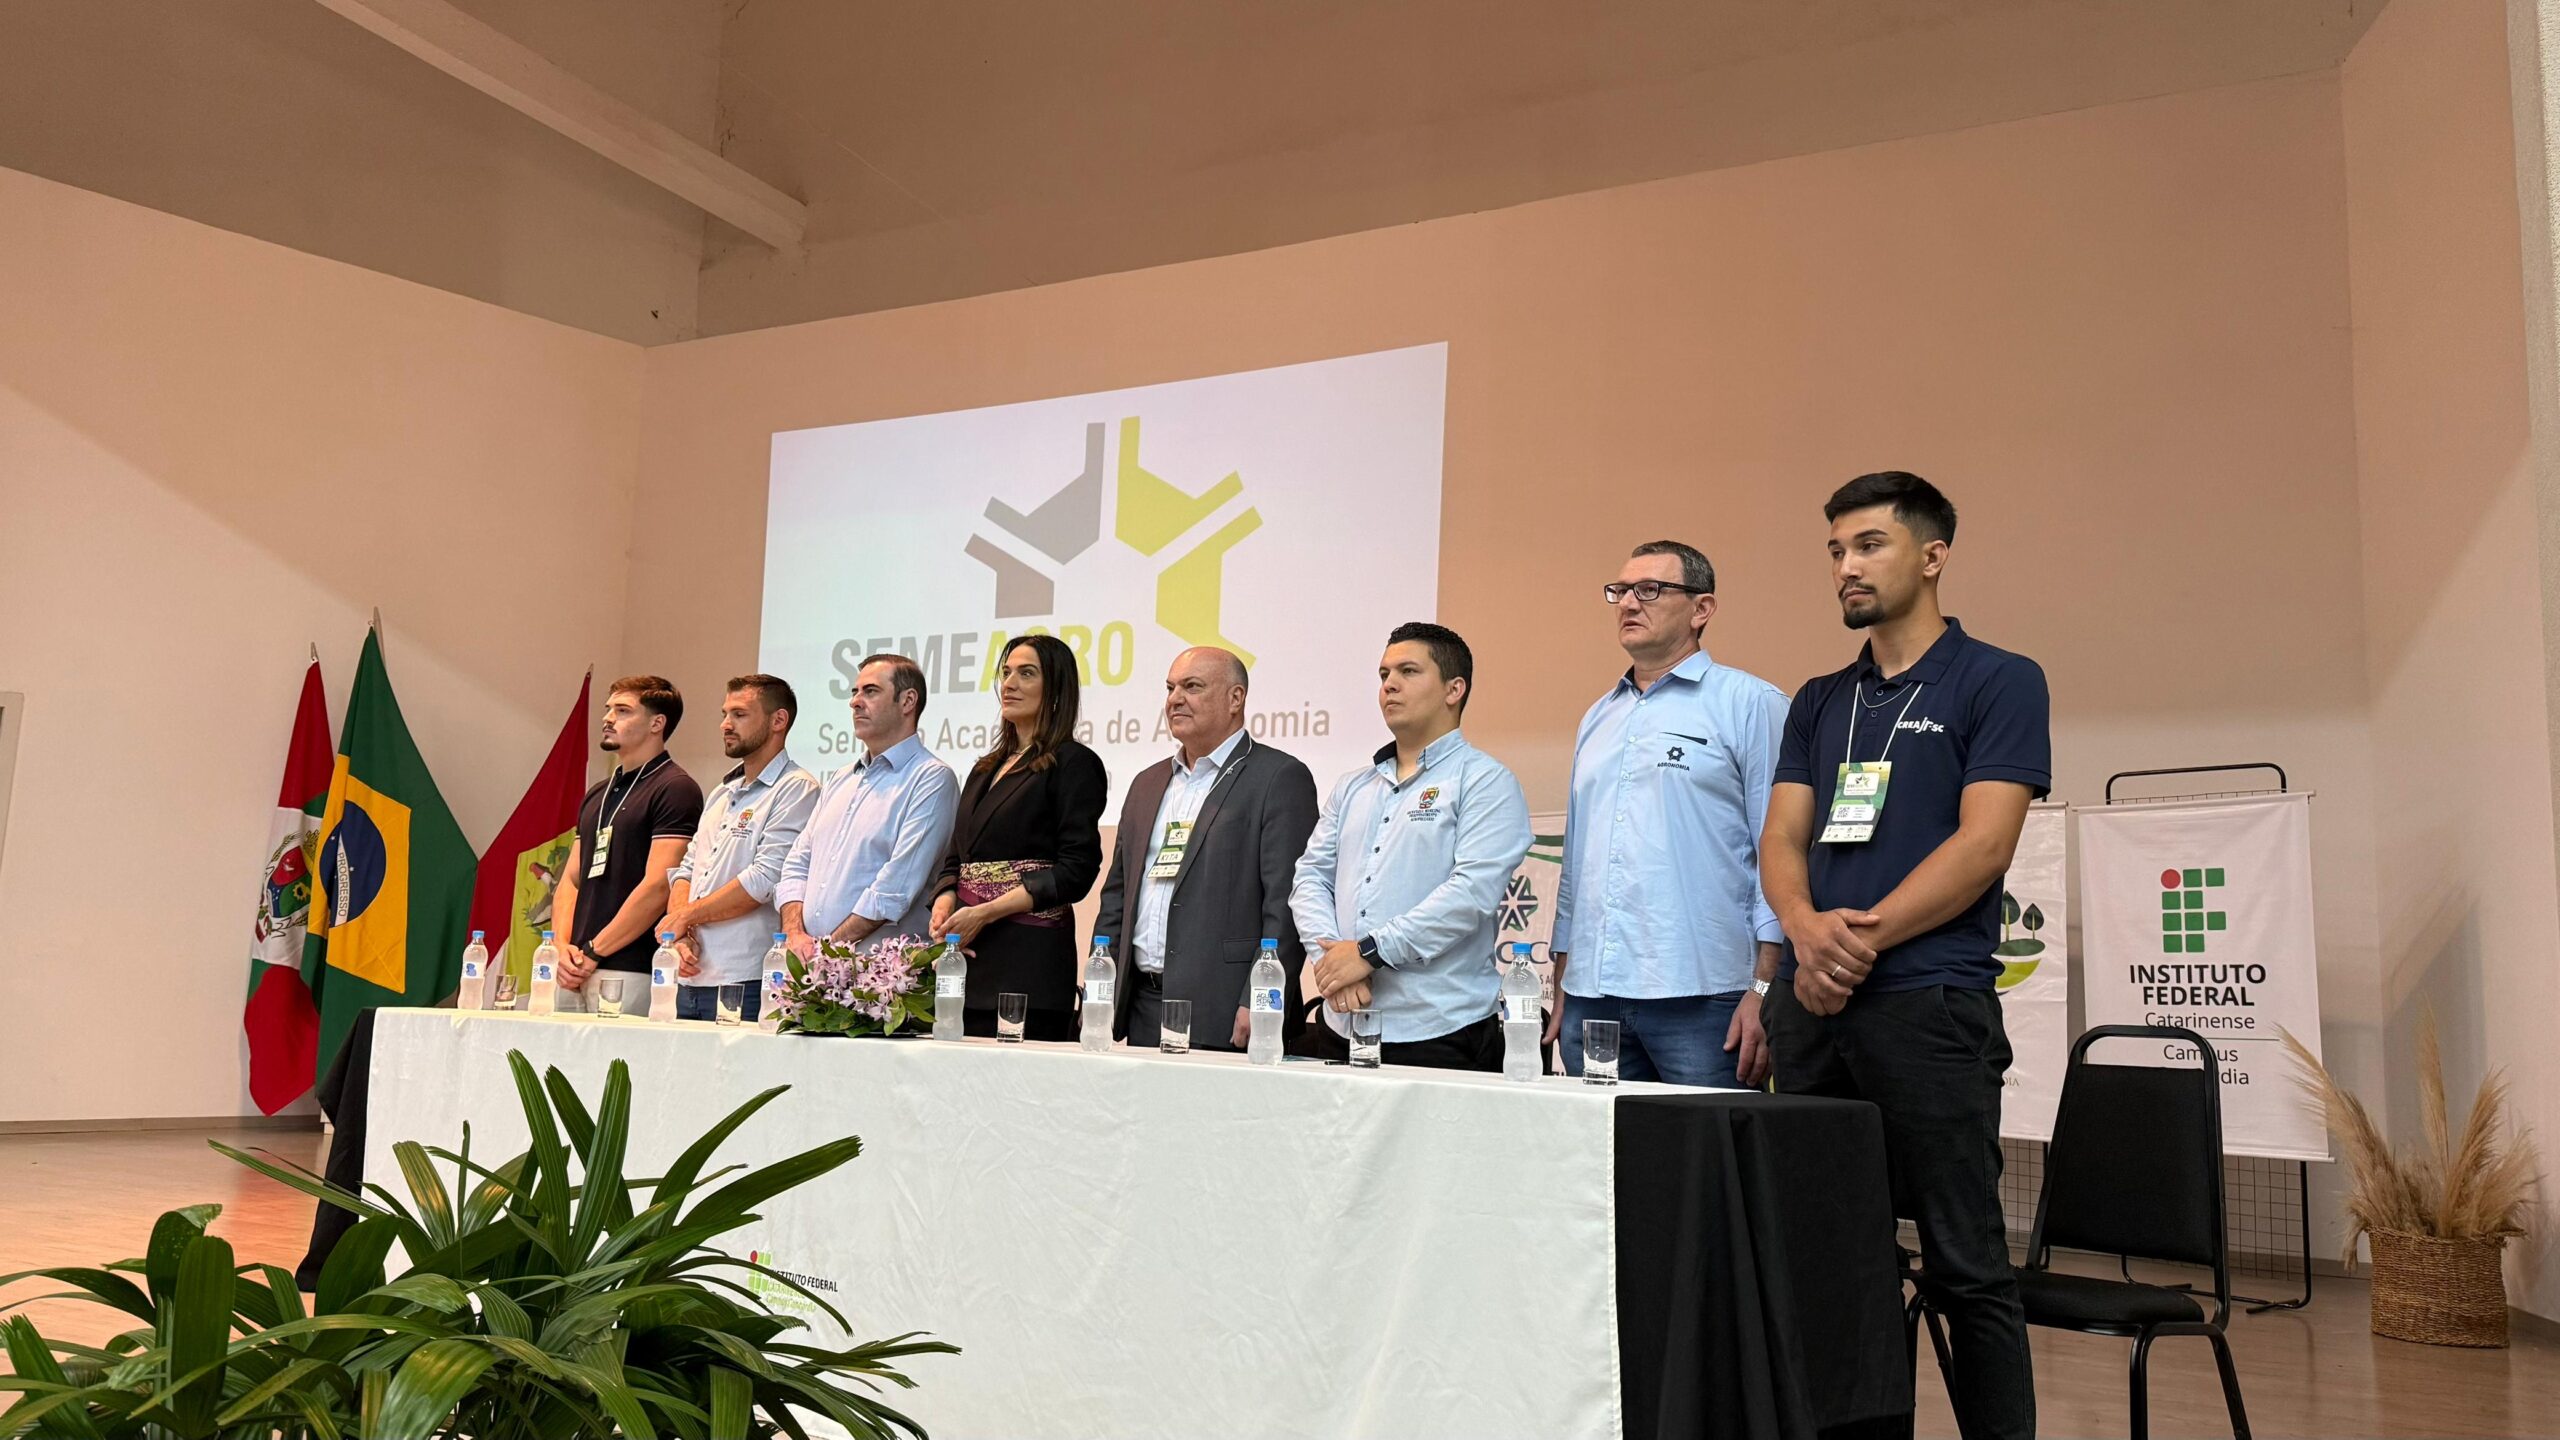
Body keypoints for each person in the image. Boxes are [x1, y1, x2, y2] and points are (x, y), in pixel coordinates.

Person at [1759, 471, 2047, 1440]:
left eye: (1869, 545)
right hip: (1813, 1008)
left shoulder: (1998, 679)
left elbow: (1985, 845)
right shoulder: (1820, 699)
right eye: (1836, 550)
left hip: (1927, 1005)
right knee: (1831, 1263)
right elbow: (1781, 838)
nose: (1846, 566)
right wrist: (1804, 931)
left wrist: (1855, 940)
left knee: (1966, 1267)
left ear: (1932, 556)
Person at [1547, 540, 1787, 1087]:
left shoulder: (1752, 703)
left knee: (1704, 1145)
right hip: (1591, 997)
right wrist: (1562, 983)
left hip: (1706, 997)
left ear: (1702, 609)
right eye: (1620, 591)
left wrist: (1766, 988)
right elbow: (1576, 867)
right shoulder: (1598, 717)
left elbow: (1780, 852)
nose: (1629, 603)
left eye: (1650, 590)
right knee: (1603, 1145)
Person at [1292, 622, 1531, 1071]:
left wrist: (1368, 953)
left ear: (1454, 689)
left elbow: (1471, 894)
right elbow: (1310, 878)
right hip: (1342, 1022)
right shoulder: (1352, 787)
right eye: (1384, 674)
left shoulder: (1485, 780)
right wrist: (1334, 963)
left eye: (1408, 671)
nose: (1389, 685)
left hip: (1438, 1029)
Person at [1093, 647, 1319, 1051]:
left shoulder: (1279, 777)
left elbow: (1286, 904)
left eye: (1192, 687)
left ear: (1235, 698)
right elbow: (1117, 897)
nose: (1174, 699)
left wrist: (1260, 1000)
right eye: (1170, 688)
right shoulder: (1146, 783)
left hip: (1226, 1008)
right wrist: (1101, 990)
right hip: (1143, 1006)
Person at [930, 634, 1109, 1040]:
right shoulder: (984, 768)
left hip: (1030, 962)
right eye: (1006, 672)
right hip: (968, 956)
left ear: (1056, 689)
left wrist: (985, 912)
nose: (1009, 684)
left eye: (1026, 674)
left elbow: (1076, 870)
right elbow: (957, 857)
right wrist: (944, 904)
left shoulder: (1075, 763)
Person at [776, 655, 961, 961]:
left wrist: (824, 952)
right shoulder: (841, 778)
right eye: (855, 692)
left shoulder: (931, 778)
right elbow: (797, 863)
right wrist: (795, 934)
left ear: (907, 701)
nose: (855, 702)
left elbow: (894, 890)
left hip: (877, 976)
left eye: (870, 691)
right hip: (809, 967)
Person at [663, 675, 820, 1023]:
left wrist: (686, 917)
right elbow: (687, 870)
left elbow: (766, 878)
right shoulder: (722, 792)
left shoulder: (796, 788)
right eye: (725, 714)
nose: (725, 724)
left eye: (739, 714)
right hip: (686, 973)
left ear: (778, 721)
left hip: (744, 979)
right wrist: (680, 932)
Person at [554, 676, 704, 1014]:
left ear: (656, 723)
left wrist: (595, 950)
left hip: (629, 967)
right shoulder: (598, 792)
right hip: (573, 966)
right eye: (609, 709)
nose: (608, 718)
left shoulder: (675, 787)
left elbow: (658, 885)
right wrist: (562, 947)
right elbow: (571, 880)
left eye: (622, 711)